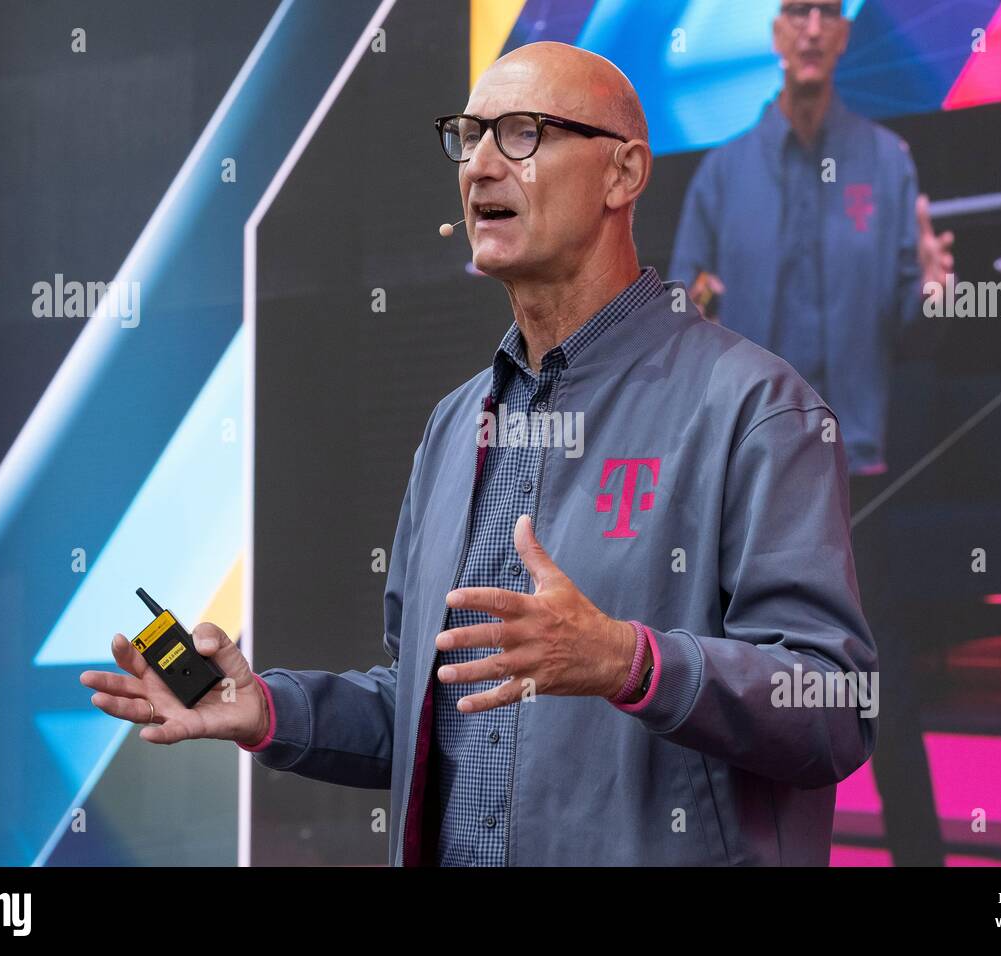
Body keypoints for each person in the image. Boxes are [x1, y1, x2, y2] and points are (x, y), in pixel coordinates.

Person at [82, 40, 876, 866]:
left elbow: (834, 709)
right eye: (469, 135)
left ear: (624, 174)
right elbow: (425, 713)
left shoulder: (755, 409)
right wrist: (266, 709)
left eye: (524, 132)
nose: (481, 165)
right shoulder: (456, 425)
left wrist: (627, 662)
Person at [669, 0, 953, 865]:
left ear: (843, 32)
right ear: (775, 33)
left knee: (885, 692)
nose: (812, 27)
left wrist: (939, 295)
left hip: (857, 476)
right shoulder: (723, 174)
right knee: (752, 696)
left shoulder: (886, 162)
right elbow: (679, 317)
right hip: (747, 483)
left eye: (828, 11)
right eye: (796, 10)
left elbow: (916, 322)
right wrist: (694, 309)